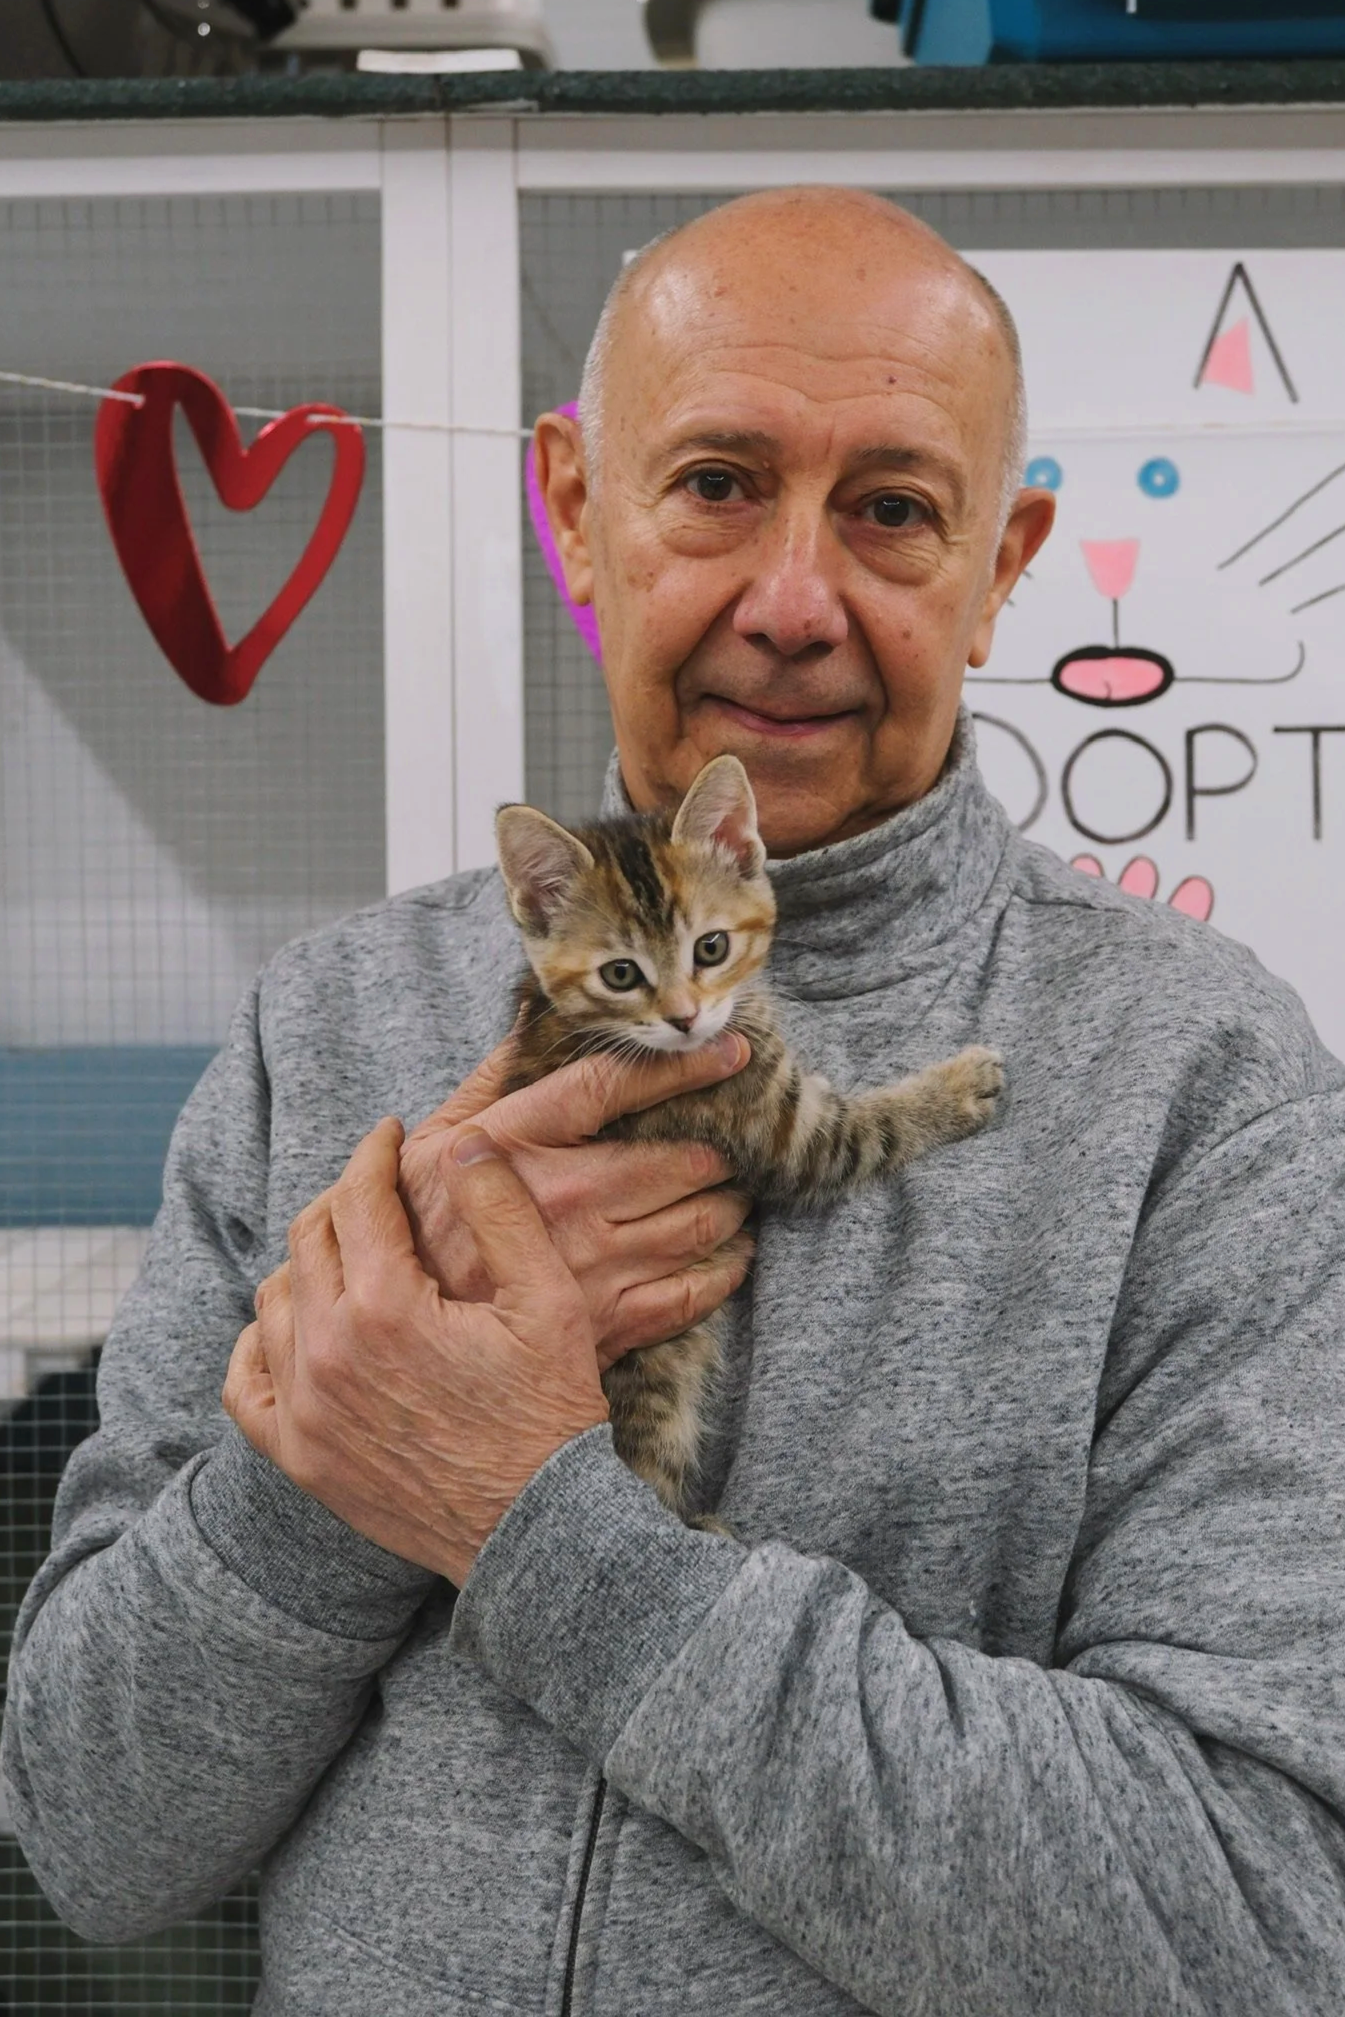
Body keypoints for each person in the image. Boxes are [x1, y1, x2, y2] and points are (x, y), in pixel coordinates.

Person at [4, 187, 1344, 2015]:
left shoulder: (1207, 1088)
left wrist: (542, 1528)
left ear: (1004, 565)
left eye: (893, 509)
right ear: (574, 509)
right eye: (717, 483)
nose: (792, 604)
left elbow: (1261, 1927)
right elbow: (90, 1835)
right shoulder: (324, 1031)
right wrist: (328, 1462)